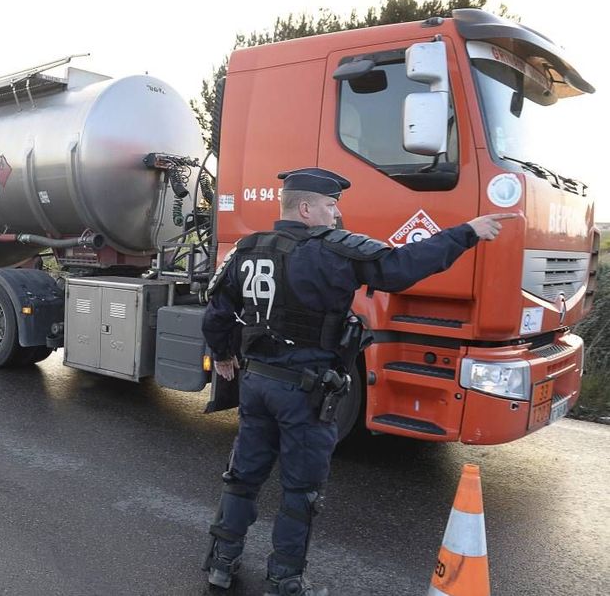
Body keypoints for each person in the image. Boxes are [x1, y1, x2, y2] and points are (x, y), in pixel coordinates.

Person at [200, 167, 514, 596]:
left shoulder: (247, 250)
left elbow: (217, 310)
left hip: (256, 384)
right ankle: (285, 580)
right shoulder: (335, 251)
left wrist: (221, 354)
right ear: (306, 208)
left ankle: (221, 563)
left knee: (242, 477)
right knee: (300, 490)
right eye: (330, 206)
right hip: (305, 392)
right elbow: (401, 268)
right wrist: (468, 232)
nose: (336, 215)